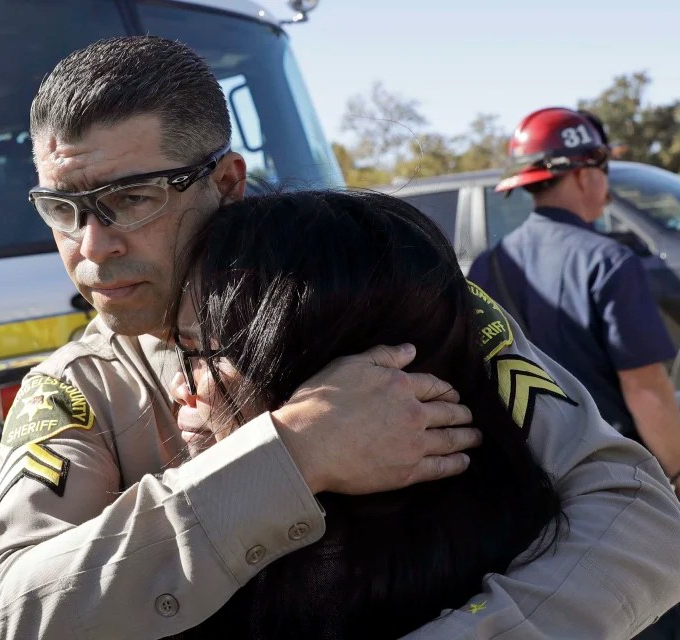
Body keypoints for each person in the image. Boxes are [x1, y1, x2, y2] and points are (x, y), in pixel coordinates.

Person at [0, 37, 680, 639]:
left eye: (131, 200)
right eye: (61, 210)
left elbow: (637, 514)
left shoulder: (398, 297)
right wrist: (287, 455)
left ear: (229, 183)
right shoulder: (80, 388)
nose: (92, 246)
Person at [162, 190, 565, 639]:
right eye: (183, 351)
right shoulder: (528, 537)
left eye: (203, 354)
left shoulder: (276, 581)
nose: (180, 386)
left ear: (346, 380)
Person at [469, 106, 680, 639]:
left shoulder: (488, 266)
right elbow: (646, 390)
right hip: (609, 496)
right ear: (583, 173)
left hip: (523, 500)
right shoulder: (609, 262)